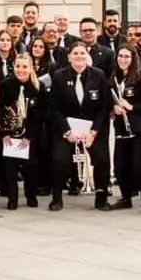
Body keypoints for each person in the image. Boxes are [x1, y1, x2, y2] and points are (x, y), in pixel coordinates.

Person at [48, 42, 111, 211]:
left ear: (87, 56)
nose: (79, 56)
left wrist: (93, 132)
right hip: (67, 129)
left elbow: (104, 107)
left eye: (82, 53)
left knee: (102, 160)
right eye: (75, 53)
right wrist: (67, 132)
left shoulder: (99, 75)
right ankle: (56, 198)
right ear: (69, 57)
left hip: (92, 130)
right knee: (59, 159)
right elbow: (54, 108)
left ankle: (101, 197)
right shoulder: (59, 76)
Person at [108, 45, 141, 214]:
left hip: (138, 129)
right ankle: (126, 198)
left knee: (137, 165)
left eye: (127, 56)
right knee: (120, 167)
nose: (123, 59)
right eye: (120, 56)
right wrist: (114, 109)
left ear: (133, 58)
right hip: (121, 128)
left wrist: (131, 107)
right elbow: (108, 104)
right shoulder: (113, 79)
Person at [0, 53, 44, 210]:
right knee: (10, 168)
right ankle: (12, 198)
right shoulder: (5, 85)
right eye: (18, 66)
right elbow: (0, 110)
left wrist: (29, 137)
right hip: (10, 134)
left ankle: (31, 195)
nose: (21, 70)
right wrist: (4, 134)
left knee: (30, 167)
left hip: (29, 134)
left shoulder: (38, 87)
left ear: (31, 68)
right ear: (13, 67)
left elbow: (39, 115)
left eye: (24, 66)